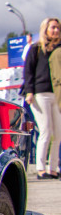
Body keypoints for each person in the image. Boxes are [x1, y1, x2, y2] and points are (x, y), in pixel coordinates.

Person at [22, 17, 61, 178]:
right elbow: (28, 71)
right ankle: (40, 168)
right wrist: (29, 91)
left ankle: (53, 168)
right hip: (40, 93)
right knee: (45, 130)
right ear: (45, 29)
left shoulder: (59, 49)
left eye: (58, 28)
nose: (56, 31)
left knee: (58, 133)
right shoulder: (36, 48)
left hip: (57, 94)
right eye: (53, 28)